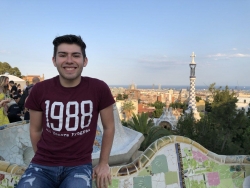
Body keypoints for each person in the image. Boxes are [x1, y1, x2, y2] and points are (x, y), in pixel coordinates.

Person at [17, 35, 115, 188]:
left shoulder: (99, 88)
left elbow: (109, 127)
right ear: (54, 60)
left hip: (79, 165)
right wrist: (41, 159)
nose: (69, 60)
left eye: (76, 55)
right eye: (62, 55)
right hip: (41, 166)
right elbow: (35, 130)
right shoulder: (40, 90)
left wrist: (103, 163)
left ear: (85, 61)